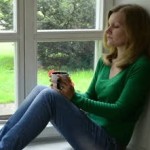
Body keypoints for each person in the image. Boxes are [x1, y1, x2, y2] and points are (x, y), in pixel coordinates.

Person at [1, 4, 150, 150]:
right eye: (108, 25)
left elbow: (120, 111)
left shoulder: (141, 66)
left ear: (133, 31)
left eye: (115, 26)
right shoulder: (105, 61)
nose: (108, 31)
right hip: (89, 128)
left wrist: (74, 97)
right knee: (42, 89)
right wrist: (68, 92)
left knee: (49, 96)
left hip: (108, 142)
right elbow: (89, 96)